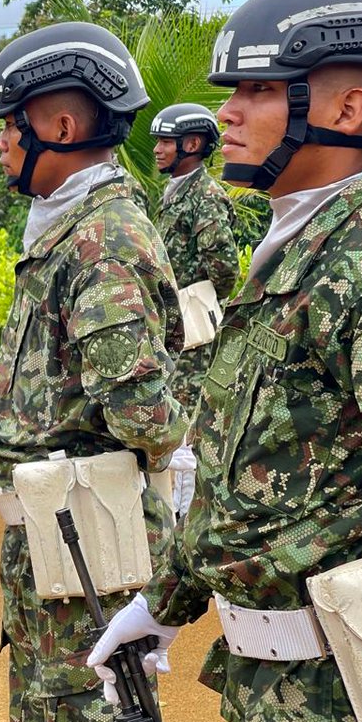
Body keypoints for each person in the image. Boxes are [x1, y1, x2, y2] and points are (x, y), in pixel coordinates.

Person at [90, 0, 362, 722]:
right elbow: (246, 472)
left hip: (349, 720)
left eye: (259, 90)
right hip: (282, 711)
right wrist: (165, 603)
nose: (230, 115)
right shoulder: (302, 248)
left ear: (350, 109)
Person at [0, 22, 187, 722]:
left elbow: (139, 408)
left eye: (11, 123)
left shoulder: (102, 239)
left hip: (91, 546)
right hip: (58, 533)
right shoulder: (66, 230)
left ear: (61, 127)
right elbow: (19, 399)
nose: (2, 142)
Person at [149, 103, 239, 520]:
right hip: (172, 328)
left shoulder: (204, 195)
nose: (158, 149)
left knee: (186, 424)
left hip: (194, 334)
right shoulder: (174, 194)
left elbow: (224, 267)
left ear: (193, 144)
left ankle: (187, 524)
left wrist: (193, 303)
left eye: (167, 141)